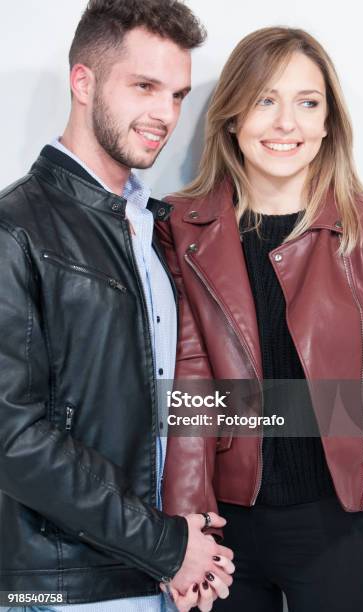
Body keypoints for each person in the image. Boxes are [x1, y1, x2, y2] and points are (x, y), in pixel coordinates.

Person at [157, 27, 363, 611]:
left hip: (338, 527)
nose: (286, 123)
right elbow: (188, 387)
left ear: (328, 123)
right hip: (223, 535)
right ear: (232, 118)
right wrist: (185, 532)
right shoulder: (177, 228)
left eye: (307, 102)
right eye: (265, 100)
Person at [0, 2, 234, 612]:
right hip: (65, 586)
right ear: (83, 82)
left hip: (152, 577)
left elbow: (163, 407)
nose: (165, 115)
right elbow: (12, 440)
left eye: (178, 94)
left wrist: (190, 546)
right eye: (144, 87)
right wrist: (165, 544)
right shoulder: (14, 229)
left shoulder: (152, 229)